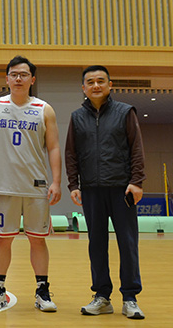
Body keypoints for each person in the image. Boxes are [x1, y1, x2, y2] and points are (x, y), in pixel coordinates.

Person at [0, 56, 61, 313]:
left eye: (23, 75)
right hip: (4, 186)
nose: (18, 79)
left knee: (38, 241)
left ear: (32, 79)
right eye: (14, 74)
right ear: (7, 79)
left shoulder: (44, 109)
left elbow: (53, 147)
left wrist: (56, 181)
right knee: (3, 240)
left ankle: (42, 291)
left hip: (36, 187)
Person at [66, 65, 146, 319]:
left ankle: (130, 298)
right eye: (90, 82)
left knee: (127, 243)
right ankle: (102, 296)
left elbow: (136, 148)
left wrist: (137, 181)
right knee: (97, 245)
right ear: (83, 88)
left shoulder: (125, 112)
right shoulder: (77, 117)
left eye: (101, 81)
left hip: (122, 189)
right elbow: (71, 153)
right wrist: (73, 184)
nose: (96, 85)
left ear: (110, 85)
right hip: (91, 190)